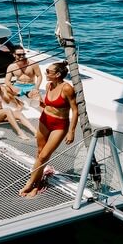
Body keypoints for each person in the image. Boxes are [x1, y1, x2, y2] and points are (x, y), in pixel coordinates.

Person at [19, 61, 78, 198]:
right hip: (45, 120)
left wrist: (72, 131)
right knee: (39, 154)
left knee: (44, 156)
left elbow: (75, 111)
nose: (45, 73)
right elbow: (47, 105)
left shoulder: (67, 88)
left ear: (57, 74)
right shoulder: (48, 85)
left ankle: (29, 183)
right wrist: (38, 100)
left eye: (48, 71)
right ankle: (38, 184)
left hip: (60, 125)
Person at [0, 73, 37, 140]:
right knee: (7, 110)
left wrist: (0, 93)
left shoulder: (2, 88)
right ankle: (20, 133)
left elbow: (7, 101)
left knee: (19, 114)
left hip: (1, 114)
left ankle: (35, 132)